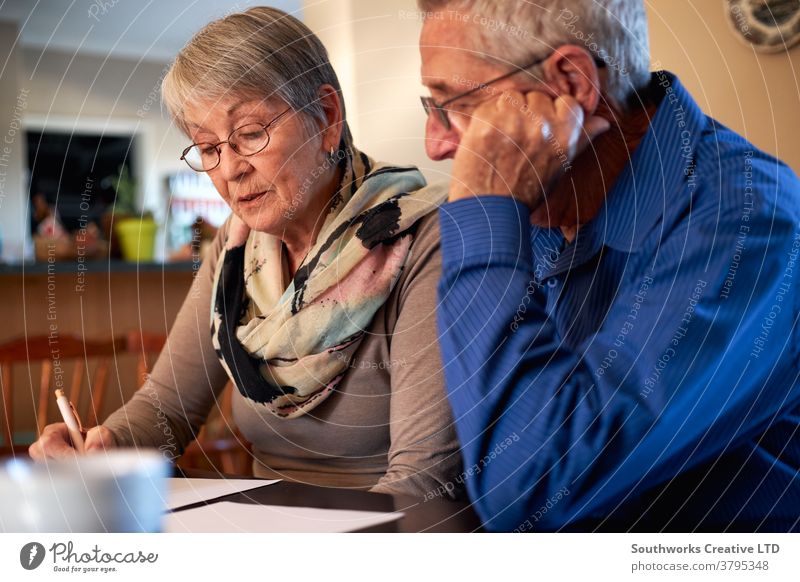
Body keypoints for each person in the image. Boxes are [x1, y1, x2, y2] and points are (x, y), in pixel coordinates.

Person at [30, 7, 463, 500]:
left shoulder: (424, 238)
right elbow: (167, 408)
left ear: (325, 117)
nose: (230, 170)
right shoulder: (237, 250)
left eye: (251, 133)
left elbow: (423, 480)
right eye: (207, 147)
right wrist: (105, 447)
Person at [418, 0, 800, 530]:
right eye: (429, 106)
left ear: (571, 83)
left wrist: (484, 214)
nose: (435, 144)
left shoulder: (744, 223)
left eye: (453, 103)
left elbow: (528, 488)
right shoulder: (542, 207)